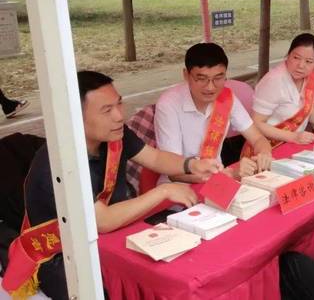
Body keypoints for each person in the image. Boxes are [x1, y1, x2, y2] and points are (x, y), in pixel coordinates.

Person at [2, 71, 222, 300]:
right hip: (63, 255)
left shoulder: (115, 134)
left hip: (111, 237)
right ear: (74, 117)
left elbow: (155, 158)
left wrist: (191, 164)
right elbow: (103, 221)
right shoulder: (61, 164)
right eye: (107, 110)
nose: (119, 116)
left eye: (119, 104)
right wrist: (164, 191)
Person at [155, 43, 272, 185]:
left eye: (218, 78)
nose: (210, 87)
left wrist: (264, 153)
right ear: (186, 75)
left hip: (219, 180)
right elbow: (174, 173)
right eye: (202, 79)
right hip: (180, 190)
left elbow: (257, 138)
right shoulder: (168, 105)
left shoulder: (227, 98)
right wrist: (230, 174)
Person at [246, 34, 314, 156]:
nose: (301, 65)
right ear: (288, 55)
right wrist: (293, 137)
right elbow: (256, 123)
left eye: (308, 61)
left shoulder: (313, 77)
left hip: (294, 146)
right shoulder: (274, 80)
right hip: (266, 149)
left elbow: (309, 107)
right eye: (296, 58)